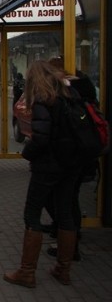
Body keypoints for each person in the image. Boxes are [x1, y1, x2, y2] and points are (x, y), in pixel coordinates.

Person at [3, 60, 80, 288]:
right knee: (65, 213)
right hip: (72, 164)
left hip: (48, 166)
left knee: (32, 214)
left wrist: (28, 153)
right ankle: (63, 269)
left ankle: (27, 272)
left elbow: (41, 138)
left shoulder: (43, 100)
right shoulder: (71, 95)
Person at [43, 56, 98, 261]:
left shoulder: (66, 92)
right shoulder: (83, 87)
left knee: (64, 201)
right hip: (80, 152)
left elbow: (59, 126)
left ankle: (68, 245)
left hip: (67, 155)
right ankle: (68, 235)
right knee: (67, 198)